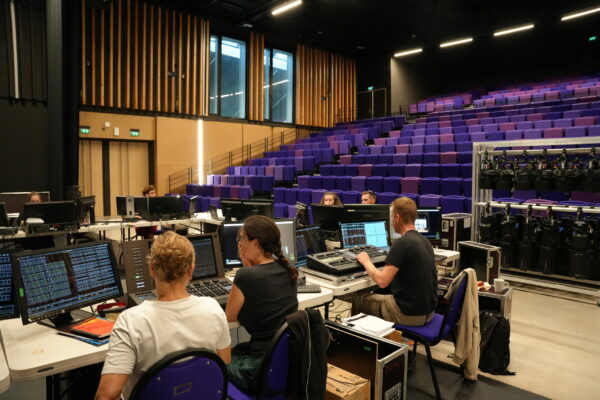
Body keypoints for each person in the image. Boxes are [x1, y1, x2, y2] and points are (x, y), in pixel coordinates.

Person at [95, 231, 231, 400]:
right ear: (191, 270)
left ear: (151, 268)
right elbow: (222, 363)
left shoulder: (131, 321)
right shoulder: (213, 308)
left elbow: (106, 395)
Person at [225, 215, 299, 392]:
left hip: (258, 370)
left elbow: (229, 317)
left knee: (217, 359)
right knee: (237, 349)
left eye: (241, 239)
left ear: (256, 243)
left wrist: (246, 268)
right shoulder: (288, 269)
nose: (239, 244)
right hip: (284, 363)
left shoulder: (246, 275)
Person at [352, 196, 437, 326]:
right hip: (428, 312)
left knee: (359, 299)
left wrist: (366, 261)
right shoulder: (424, 240)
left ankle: (355, 340)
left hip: (408, 314)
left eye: (392, 217)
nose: (392, 220)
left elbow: (382, 281)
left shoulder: (402, 243)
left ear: (397, 217)